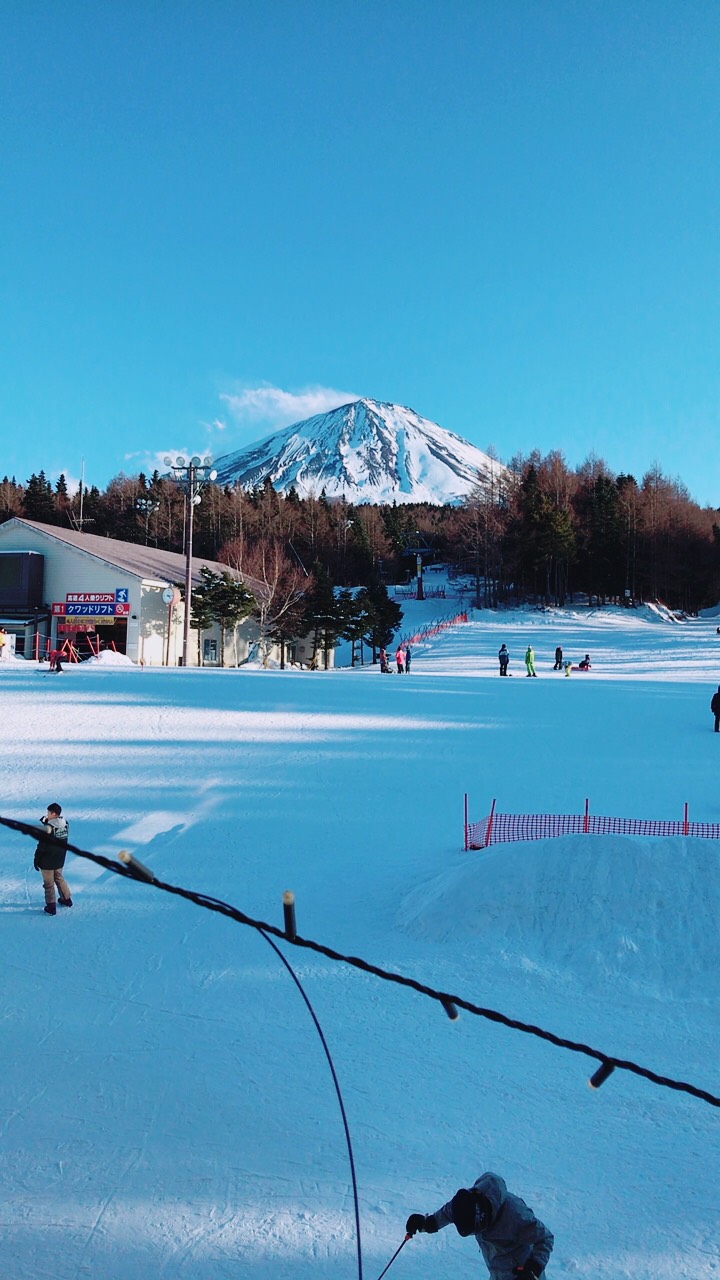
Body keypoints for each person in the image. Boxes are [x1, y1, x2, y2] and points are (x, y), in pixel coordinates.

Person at [406, 1170, 554, 1280]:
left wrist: (533, 1269)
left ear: (483, 1218)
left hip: (521, 1272)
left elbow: (545, 1238)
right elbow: (446, 1213)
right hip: (497, 1270)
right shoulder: (464, 1204)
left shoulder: (516, 1216)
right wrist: (426, 1224)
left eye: (476, 1230)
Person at [34, 803, 72, 916]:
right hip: (60, 858)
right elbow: (55, 830)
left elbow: (42, 847)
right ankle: (66, 899)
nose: (47, 815)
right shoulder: (66, 824)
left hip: (47, 861)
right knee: (59, 878)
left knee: (49, 884)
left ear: (54, 814)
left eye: (48, 813)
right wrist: (47, 823)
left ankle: (51, 907)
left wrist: (36, 859)